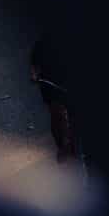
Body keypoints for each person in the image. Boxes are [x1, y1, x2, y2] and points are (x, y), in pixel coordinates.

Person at [28, 34, 78, 164]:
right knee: (58, 113)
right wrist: (34, 74)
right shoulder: (44, 43)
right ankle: (62, 146)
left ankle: (73, 144)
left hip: (68, 82)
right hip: (50, 83)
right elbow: (34, 61)